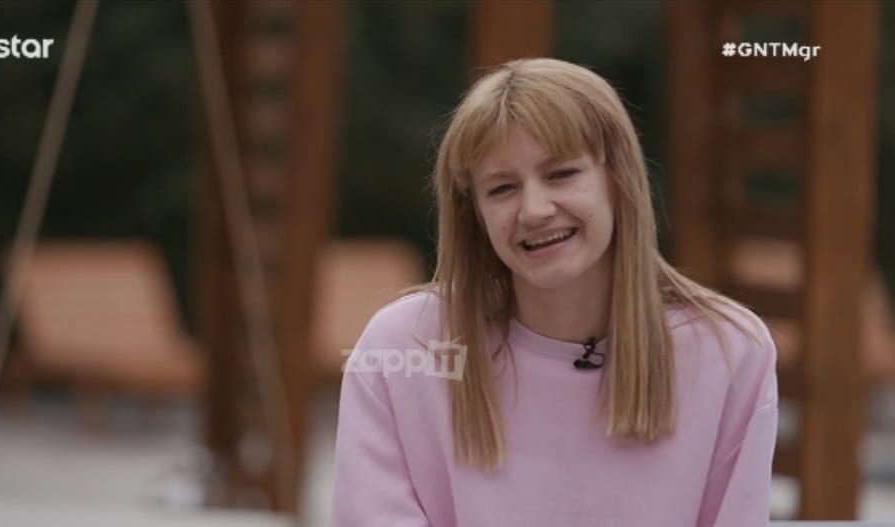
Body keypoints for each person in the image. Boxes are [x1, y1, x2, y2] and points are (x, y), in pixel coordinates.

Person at [331, 58, 778, 527]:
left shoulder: (729, 353)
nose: (534, 210)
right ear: (475, 214)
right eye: (502, 188)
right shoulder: (403, 349)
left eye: (561, 174)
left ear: (618, 179)